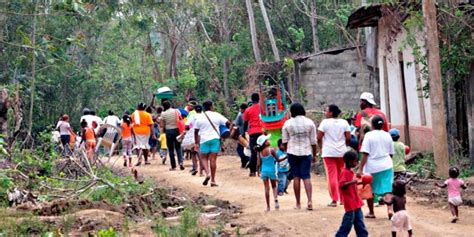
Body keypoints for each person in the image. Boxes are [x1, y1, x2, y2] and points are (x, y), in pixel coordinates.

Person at [357, 115, 394, 219]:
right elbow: (391, 153)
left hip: (371, 167)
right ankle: (390, 209)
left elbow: (365, 154)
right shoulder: (388, 135)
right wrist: (387, 161)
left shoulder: (368, 136)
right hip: (386, 165)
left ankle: (371, 212)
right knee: (388, 189)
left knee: (370, 190)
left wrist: (360, 169)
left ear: (372, 125)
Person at [282, 103, 317, 210]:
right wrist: (314, 155)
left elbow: (284, 141)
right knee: (306, 176)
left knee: (296, 176)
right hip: (306, 152)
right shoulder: (310, 122)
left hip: (292, 152)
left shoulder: (288, 123)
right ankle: (310, 201)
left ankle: (298, 203)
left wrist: (287, 150)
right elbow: (313, 142)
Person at [317, 104, 351, 207]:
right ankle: (343, 199)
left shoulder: (324, 123)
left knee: (332, 175)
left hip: (328, 152)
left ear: (331, 112)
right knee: (342, 175)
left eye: (326, 111)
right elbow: (348, 137)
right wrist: (344, 145)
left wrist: (321, 147)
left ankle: (334, 199)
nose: (325, 112)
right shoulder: (344, 122)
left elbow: (319, 137)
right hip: (342, 152)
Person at [194, 100, 231, 187]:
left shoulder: (200, 117)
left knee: (203, 158)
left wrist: (196, 143)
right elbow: (228, 123)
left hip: (204, 140)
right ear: (211, 106)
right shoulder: (217, 115)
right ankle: (213, 180)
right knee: (213, 159)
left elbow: (196, 131)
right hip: (215, 139)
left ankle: (207, 173)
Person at [335, 151, 368, 237]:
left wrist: (362, 182)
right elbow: (342, 185)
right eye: (355, 161)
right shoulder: (344, 172)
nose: (357, 163)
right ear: (349, 162)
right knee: (347, 223)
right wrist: (353, 181)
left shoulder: (350, 172)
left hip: (356, 202)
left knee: (359, 222)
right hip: (350, 202)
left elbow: (353, 184)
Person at [255, 134, 283, 211]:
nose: (269, 141)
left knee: (266, 188)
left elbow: (258, 163)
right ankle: (276, 200)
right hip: (271, 171)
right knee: (274, 186)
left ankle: (268, 207)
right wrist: (287, 157)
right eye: (267, 140)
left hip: (264, 171)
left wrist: (258, 171)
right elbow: (278, 160)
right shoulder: (272, 150)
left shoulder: (260, 152)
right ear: (265, 143)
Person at [160, 100, 185, 170]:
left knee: (170, 149)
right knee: (178, 147)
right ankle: (181, 162)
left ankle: (173, 166)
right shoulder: (176, 111)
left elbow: (161, 125)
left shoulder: (163, 114)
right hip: (177, 130)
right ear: (170, 105)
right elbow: (180, 119)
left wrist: (165, 123)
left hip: (169, 131)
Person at [243, 93, 263, 177]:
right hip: (262, 132)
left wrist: (244, 132)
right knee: (263, 151)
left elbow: (245, 123)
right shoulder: (263, 109)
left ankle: (252, 172)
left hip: (253, 133)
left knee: (253, 152)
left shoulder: (248, 110)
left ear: (251, 99)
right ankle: (263, 170)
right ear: (259, 99)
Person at [182, 104, 202, 176]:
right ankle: (202, 169)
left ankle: (195, 168)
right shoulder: (204, 116)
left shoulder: (192, 116)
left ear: (195, 110)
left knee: (194, 152)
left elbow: (187, 125)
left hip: (194, 135)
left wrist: (186, 130)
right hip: (203, 135)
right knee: (200, 152)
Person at [235, 103, 249, 168]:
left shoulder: (240, 115)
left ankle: (246, 159)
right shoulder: (250, 113)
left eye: (240, 108)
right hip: (249, 133)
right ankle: (244, 163)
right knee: (248, 148)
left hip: (243, 134)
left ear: (243, 109)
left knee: (239, 149)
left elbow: (236, 123)